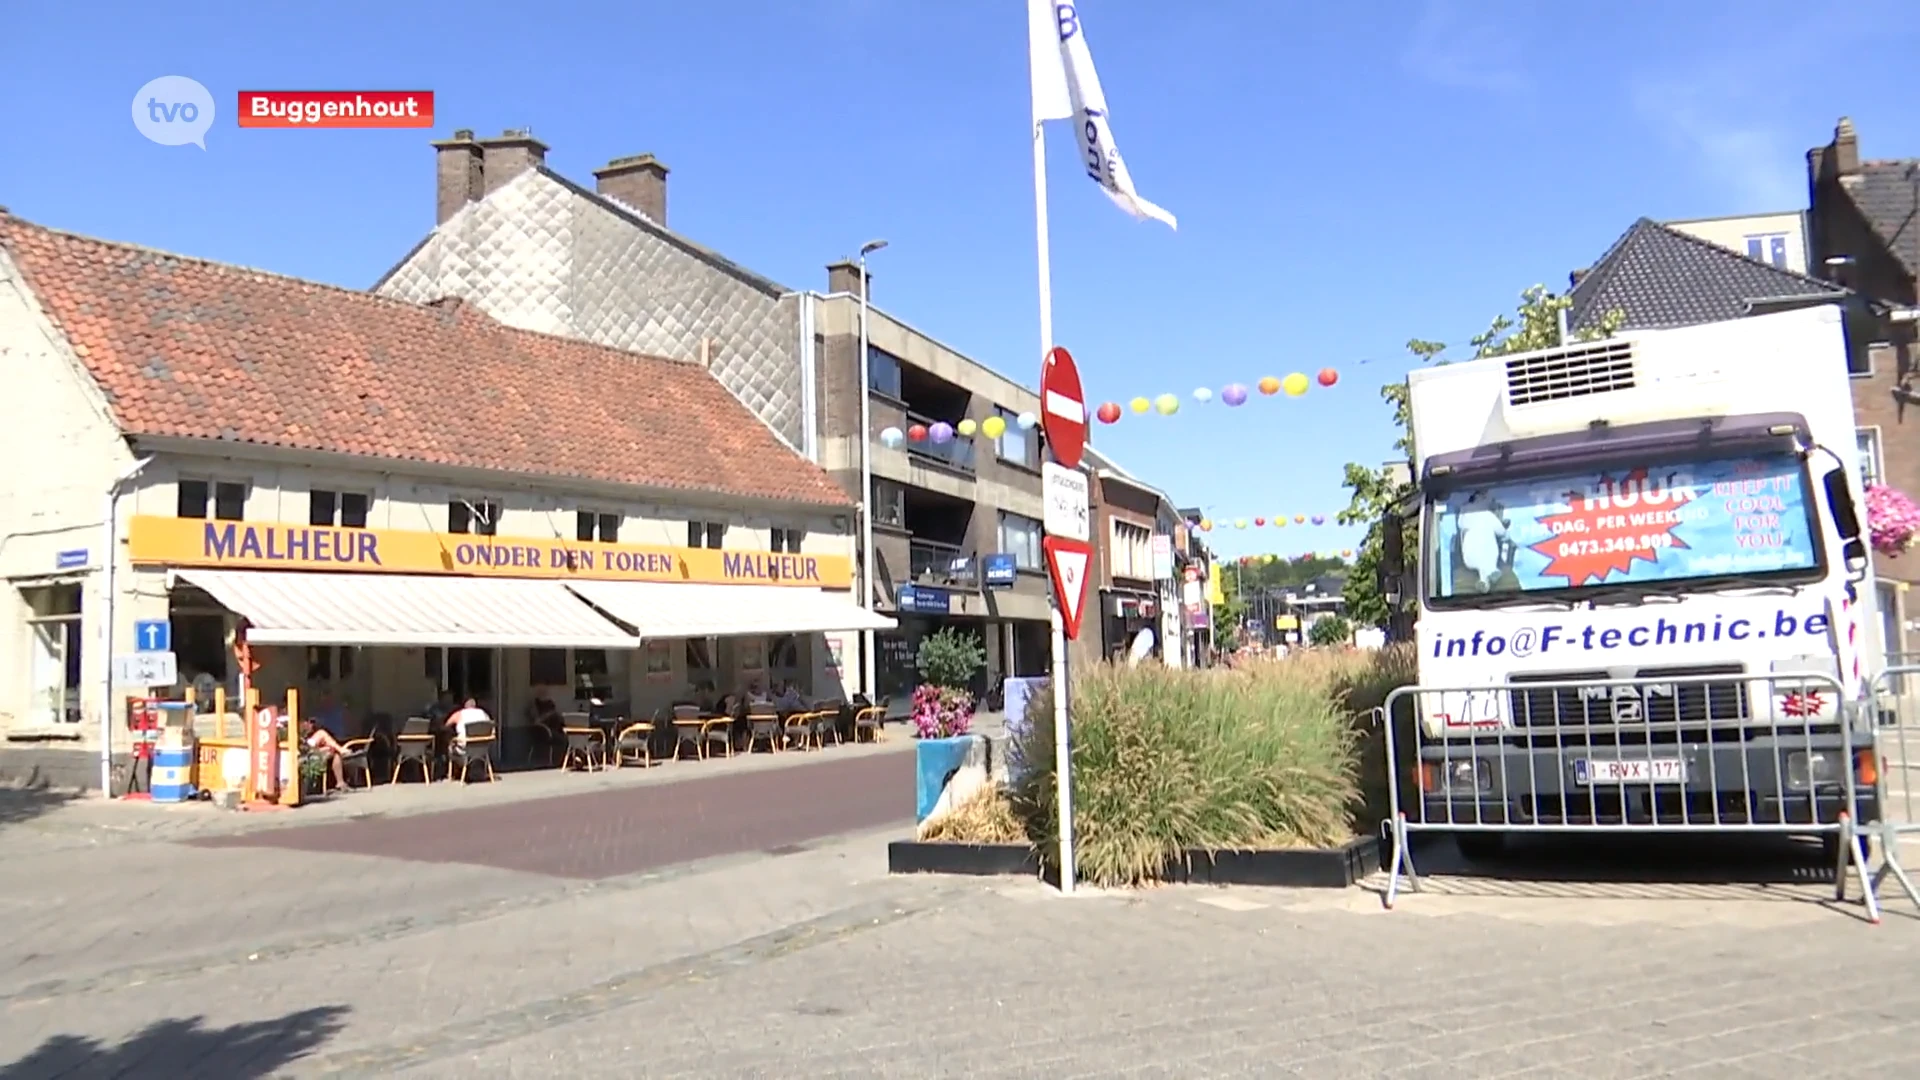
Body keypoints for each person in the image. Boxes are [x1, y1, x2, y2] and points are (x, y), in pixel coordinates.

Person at [300, 717, 349, 792]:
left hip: (310, 750)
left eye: (312, 722)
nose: (311, 725)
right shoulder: (295, 733)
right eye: (309, 722)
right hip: (303, 752)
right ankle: (340, 749)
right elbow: (303, 748)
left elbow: (313, 749)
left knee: (335, 754)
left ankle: (340, 783)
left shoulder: (308, 735)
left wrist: (326, 748)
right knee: (321, 733)